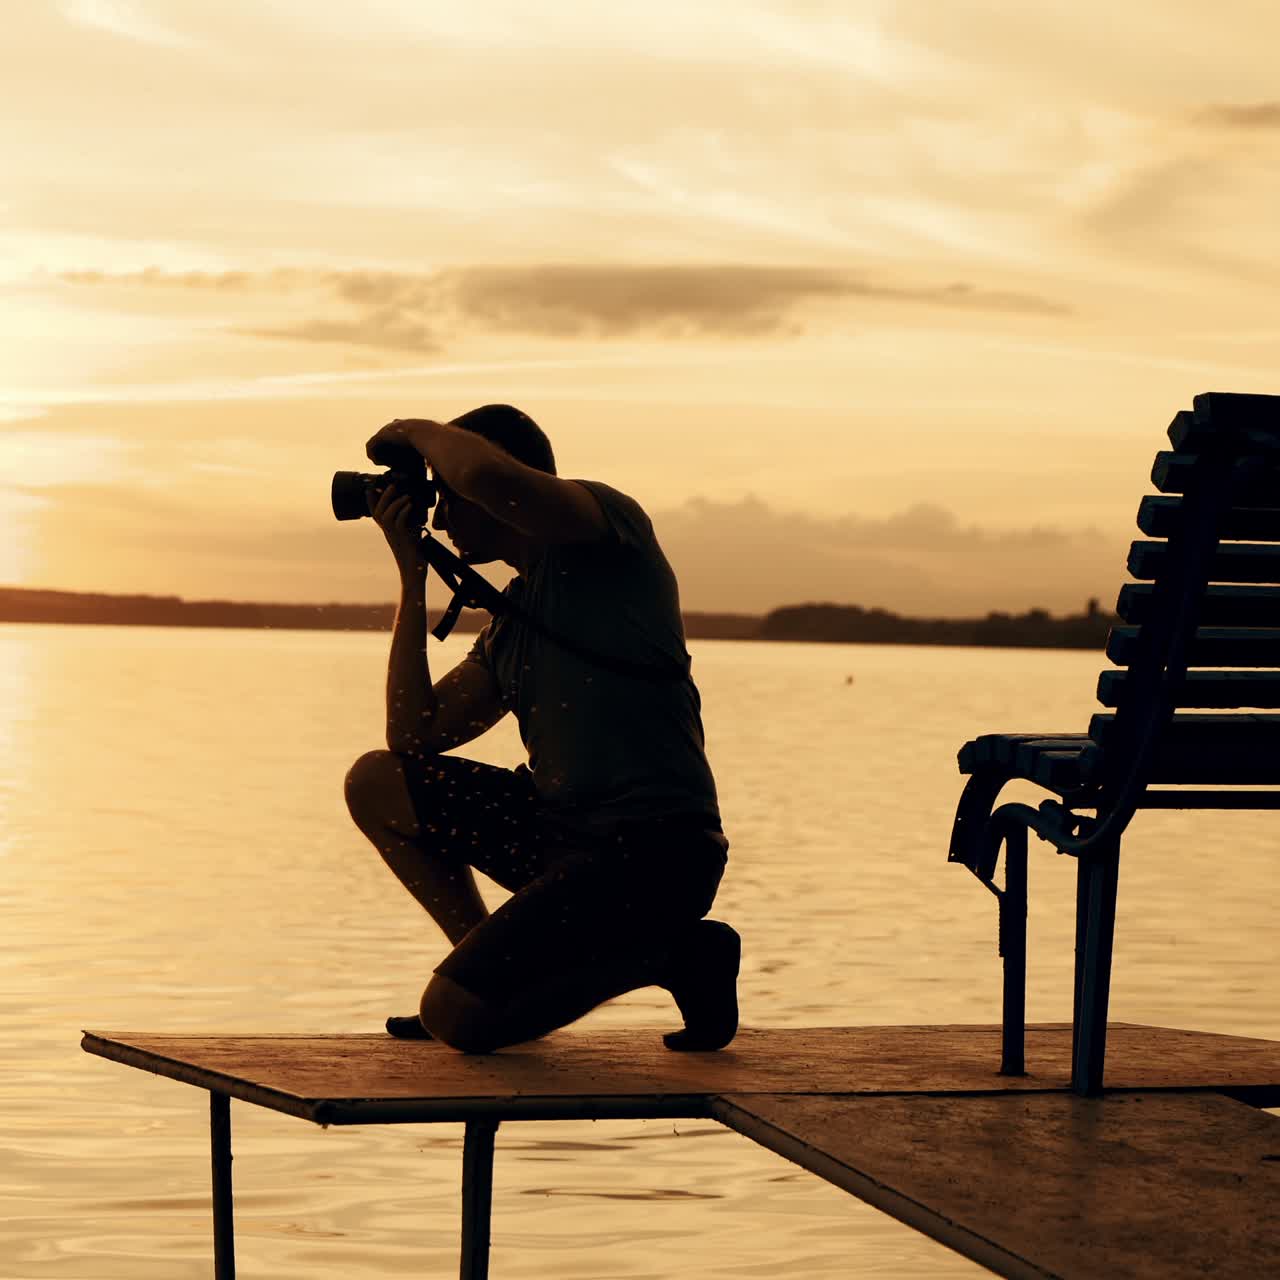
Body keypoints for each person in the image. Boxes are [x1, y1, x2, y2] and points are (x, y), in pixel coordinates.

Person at [343, 404, 739, 1054]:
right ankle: (484, 968)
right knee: (377, 783)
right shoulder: (513, 619)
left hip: (656, 854)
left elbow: (494, 479)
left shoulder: (608, 537)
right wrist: (411, 577)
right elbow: (413, 735)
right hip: (565, 838)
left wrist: (413, 430)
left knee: (455, 1018)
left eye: (446, 494)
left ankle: (670, 956)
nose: (440, 514)